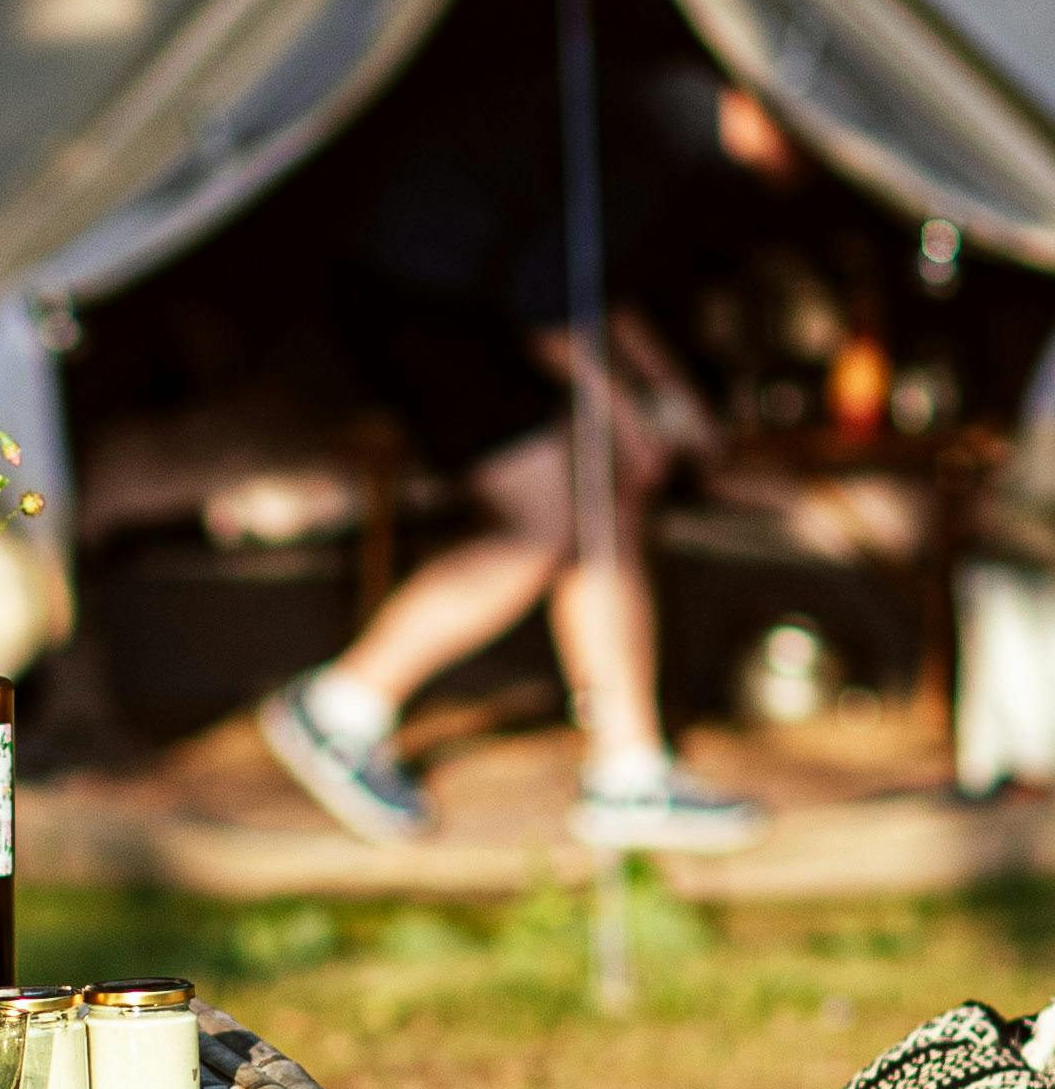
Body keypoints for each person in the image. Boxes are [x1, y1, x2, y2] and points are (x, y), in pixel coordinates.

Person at [257, 66, 798, 854]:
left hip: (450, 298)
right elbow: (545, 299)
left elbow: (586, 282)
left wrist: (669, 395)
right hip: (422, 302)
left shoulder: (667, 117)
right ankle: (339, 709)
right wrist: (634, 418)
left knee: (593, 504)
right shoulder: (659, 135)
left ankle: (629, 771)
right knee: (552, 522)